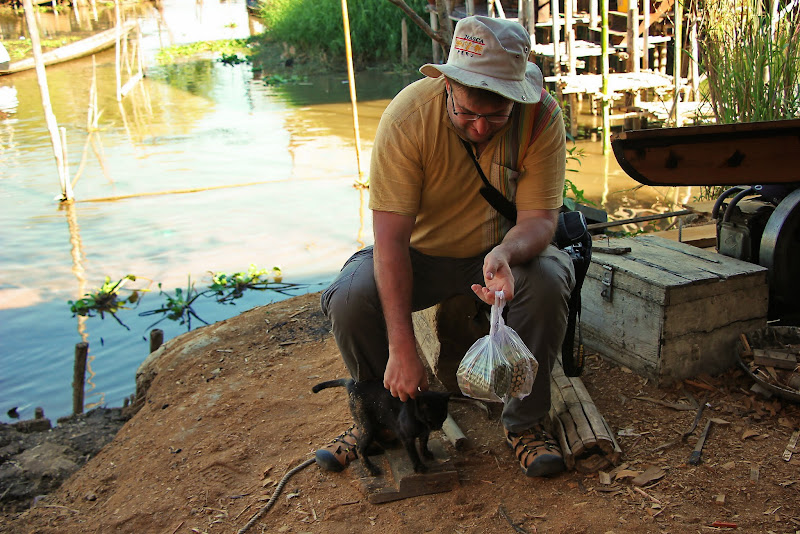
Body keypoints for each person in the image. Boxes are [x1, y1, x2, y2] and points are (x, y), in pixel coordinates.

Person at [316, 15, 574, 477]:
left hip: (496, 255)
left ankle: (525, 424)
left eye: (496, 116)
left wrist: (506, 254)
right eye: (467, 114)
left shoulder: (541, 117)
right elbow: (390, 242)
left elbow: (540, 220)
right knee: (351, 298)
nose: (479, 128)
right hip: (419, 254)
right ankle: (384, 416)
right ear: (448, 85)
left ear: (518, 96)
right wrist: (403, 346)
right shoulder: (408, 118)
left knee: (551, 279)